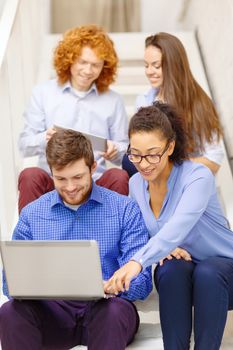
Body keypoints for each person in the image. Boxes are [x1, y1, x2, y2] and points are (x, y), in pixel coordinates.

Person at [0, 129, 152, 350]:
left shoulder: (124, 209)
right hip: (53, 314)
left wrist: (115, 285)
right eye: (60, 179)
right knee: (10, 313)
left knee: (113, 312)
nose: (70, 187)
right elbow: (9, 284)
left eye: (78, 177)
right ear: (51, 172)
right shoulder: (32, 214)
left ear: (92, 168)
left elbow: (143, 282)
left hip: (106, 307)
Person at [105, 102, 233, 350]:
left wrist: (139, 260)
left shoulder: (197, 176)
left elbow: (180, 224)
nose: (143, 163)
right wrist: (165, 246)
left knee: (208, 271)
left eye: (153, 154)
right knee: (170, 269)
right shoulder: (134, 185)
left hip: (225, 269)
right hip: (185, 269)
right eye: (136, 154)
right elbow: (144, 231)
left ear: (170, 147)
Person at [18, 24, 129, 213]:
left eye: (95, 65)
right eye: (82, 62)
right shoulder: (43, 93)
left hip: (93, 184)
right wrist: (45, 138)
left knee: (118, 176)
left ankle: (114, 238)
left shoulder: (113, 101)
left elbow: (126, 152)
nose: (88, 71)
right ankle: (28, 240)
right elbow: (24, 145)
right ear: (69, 59)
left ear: (104, 66)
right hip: (54, 181)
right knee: (30, 175)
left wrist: (114, 149)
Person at [122, 31, 224, 177]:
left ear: (174, 66)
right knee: (127, 161)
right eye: (146, 66)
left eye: (156, 66)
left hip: (184, 177)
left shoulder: (198, 103)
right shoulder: (143, 100)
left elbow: (213, 160)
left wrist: (173, 165)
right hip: (153, 179)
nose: (149, 72)